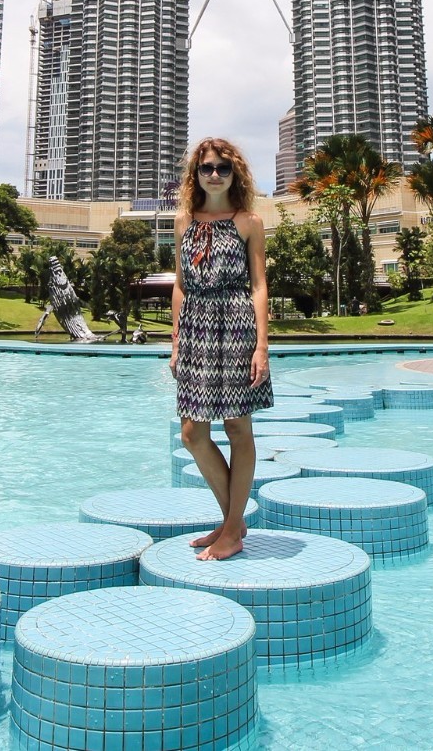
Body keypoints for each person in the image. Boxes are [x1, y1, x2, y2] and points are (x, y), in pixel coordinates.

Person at [170, 137, 273, 561]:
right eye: (207, 168)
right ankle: (233, 520)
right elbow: (178, 285)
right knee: (193, 433)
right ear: (195, 174)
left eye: (222, 168)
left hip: (236, 326)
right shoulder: (183, 222)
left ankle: (231, 529)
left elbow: (259, 285)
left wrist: (262, 346)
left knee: (237, 428)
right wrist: (175, 341)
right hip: (194, 327)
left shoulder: (249, 221)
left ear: (235, 174)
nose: (214, 175)